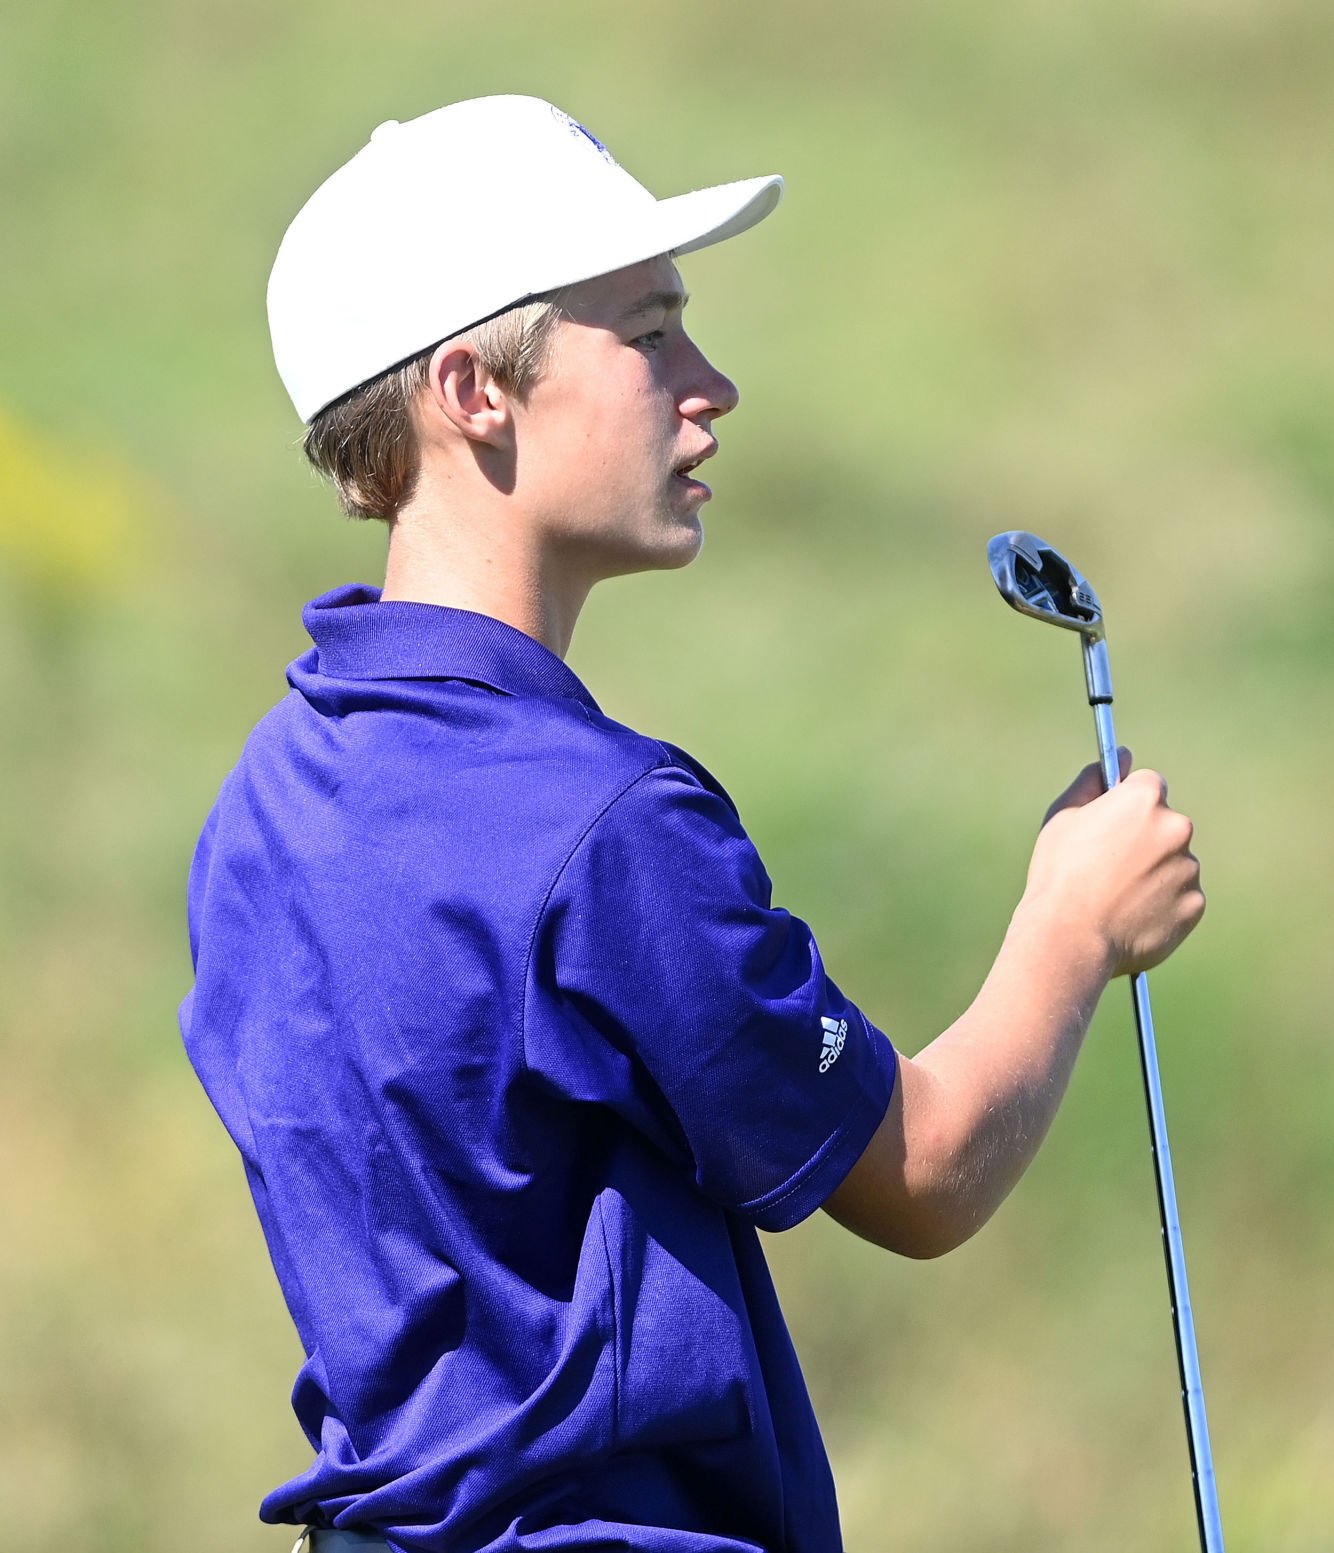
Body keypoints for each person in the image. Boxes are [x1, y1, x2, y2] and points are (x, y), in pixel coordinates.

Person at [179, 95, 1204, 1553]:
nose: (709, 381)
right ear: (475, 388)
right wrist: (1074, 924)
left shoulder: (267, 796)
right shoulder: (605, 824)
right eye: (649, 332)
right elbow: (920, 1168)